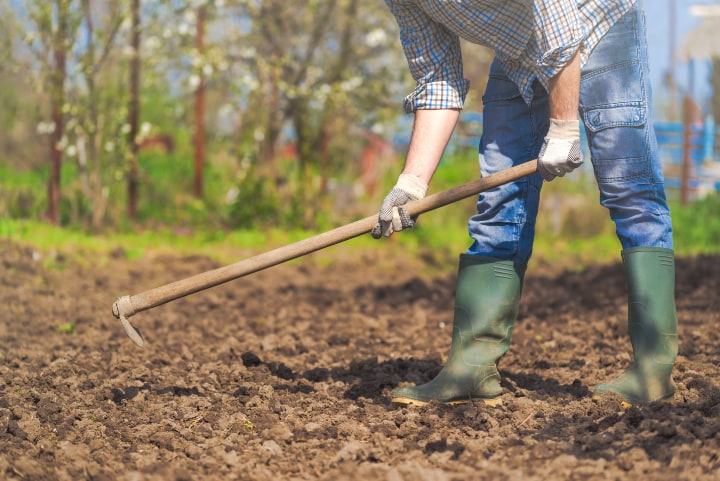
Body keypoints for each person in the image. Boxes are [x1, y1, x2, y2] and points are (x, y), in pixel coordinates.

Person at [373, 0, 678, 407]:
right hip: (521, 48)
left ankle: (652, 370)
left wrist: (564, 126)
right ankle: (471, 365)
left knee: (629, 186)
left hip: (596, 20)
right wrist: (411, 184)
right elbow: (438, 80)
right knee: (499, 197)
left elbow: (560, 18)